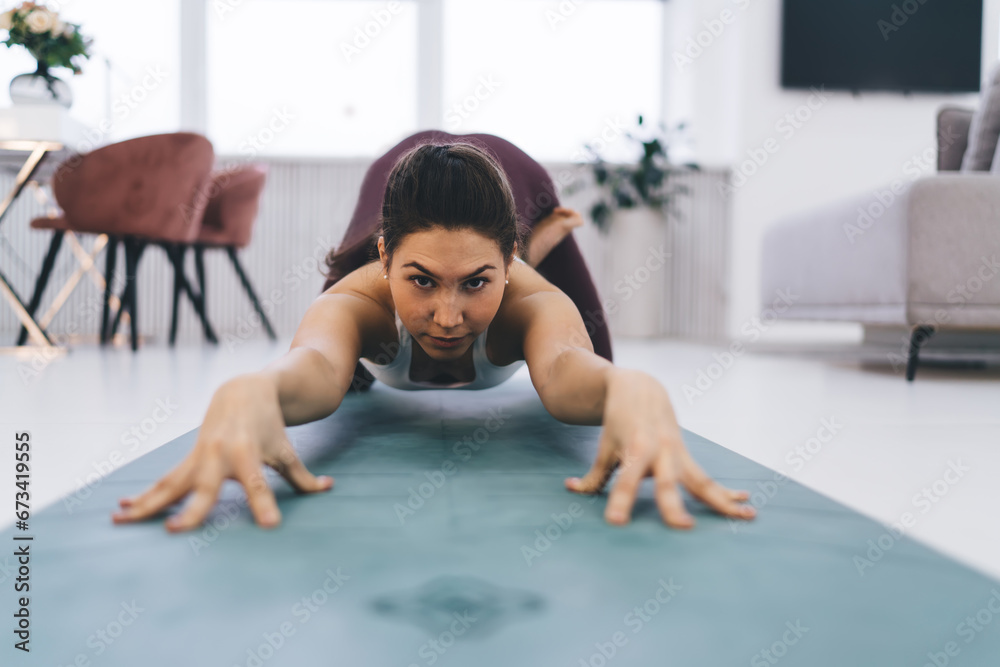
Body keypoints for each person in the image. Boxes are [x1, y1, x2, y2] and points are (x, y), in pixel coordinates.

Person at [111, 134, 757, 533]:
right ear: (387, 258)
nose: (448, 317)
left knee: (596, 344)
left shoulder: (529, 297)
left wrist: (629, 386)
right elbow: (313, 364)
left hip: (517, 176)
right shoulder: (358, 296)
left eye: (476, 282)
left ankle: (541, 231)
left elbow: (568, 372)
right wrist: (255, 389)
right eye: (421, 280)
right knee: (358, 364)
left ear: (509, 264)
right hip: (395, 175)